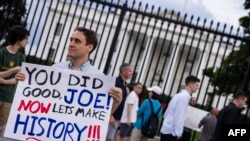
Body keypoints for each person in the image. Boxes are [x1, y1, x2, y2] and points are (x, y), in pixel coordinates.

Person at [0, 25, 29, 134]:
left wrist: (19, 78)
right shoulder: (2, 53)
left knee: (1, 127)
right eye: (26, 38)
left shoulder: (21, 57)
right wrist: (12, 72)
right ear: (18, 38)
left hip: (8, 98)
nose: (27, 41)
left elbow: (21, 78)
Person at [160, 75, 200, 141]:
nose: (198, 87)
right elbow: (179, 116)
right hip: (171, 132)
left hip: (167, 129)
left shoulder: (179, 95)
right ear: (190, 85)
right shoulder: (184, 97)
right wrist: (178, 133)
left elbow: (167, 112)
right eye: (196, 85)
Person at [106, 63, 133, 141]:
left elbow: (122, 102)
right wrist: (110, 115)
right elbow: (110, 98)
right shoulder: (116, 81)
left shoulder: (125, 85)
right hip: (112, 116)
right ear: (124, 71)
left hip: (117, 117)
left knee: (109, 138)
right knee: (106, 137)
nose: (131, 73)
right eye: (130, 71)